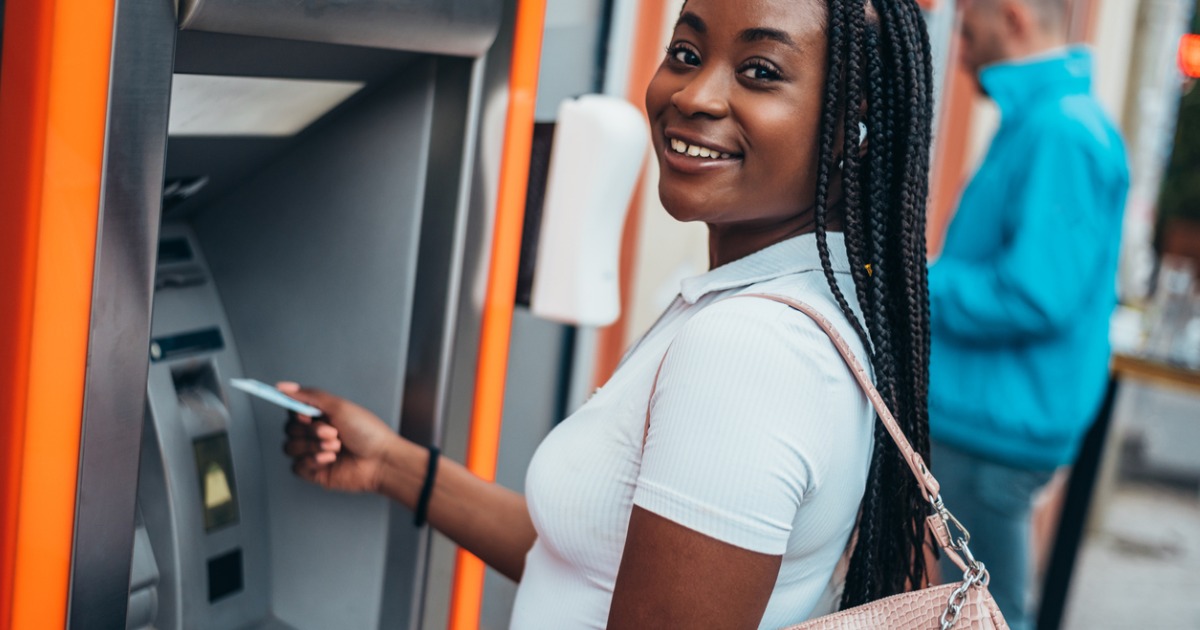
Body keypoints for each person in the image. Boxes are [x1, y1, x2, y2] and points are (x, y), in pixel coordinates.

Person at [283, 0, 937, 627]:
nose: (693, 96)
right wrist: (392, 464)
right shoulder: (808, 305)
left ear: (857, 127)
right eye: (685, 52)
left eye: (759, 71)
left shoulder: (752, 350)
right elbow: (603, 567)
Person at [927, 0, 1130, 628]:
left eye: (967, 23)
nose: (957, 39)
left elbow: (1034, 294)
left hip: (993, 427)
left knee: (988, 614)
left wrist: (918, 282)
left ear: (1012, 15)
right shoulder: (1045, 120)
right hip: (993, 415)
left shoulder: (1061, 130)